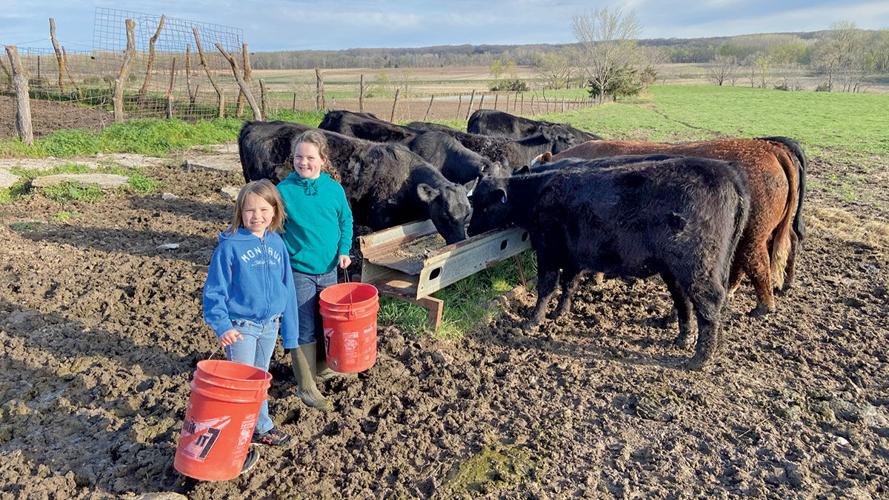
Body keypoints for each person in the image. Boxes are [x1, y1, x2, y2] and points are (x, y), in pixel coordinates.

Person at [202, 179, 296, 450]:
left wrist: (288, 329)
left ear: (275, 212)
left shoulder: (277, 243)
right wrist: (222, 326)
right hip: (241, 326)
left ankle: (257, 426)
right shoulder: (230, 247)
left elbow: (286, 286)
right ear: (240, 213)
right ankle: (245, 428)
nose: (257, 216)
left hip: (270, 324)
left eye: (264, 210)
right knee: (241, 380)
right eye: (250, 211)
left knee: (260, 376)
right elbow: (214, 291)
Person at [277, 130, 353, 411]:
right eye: (298, 157)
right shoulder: (284, 191)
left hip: (329, 268)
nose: (303, 162)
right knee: (303, 325)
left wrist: (344, 250)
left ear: (322, 160)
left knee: (326, 321)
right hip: (299, 270)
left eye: (310, 157)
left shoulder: (333, 189)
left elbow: (345, 220)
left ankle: (322, 367)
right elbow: (274, 228)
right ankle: (306, 386)